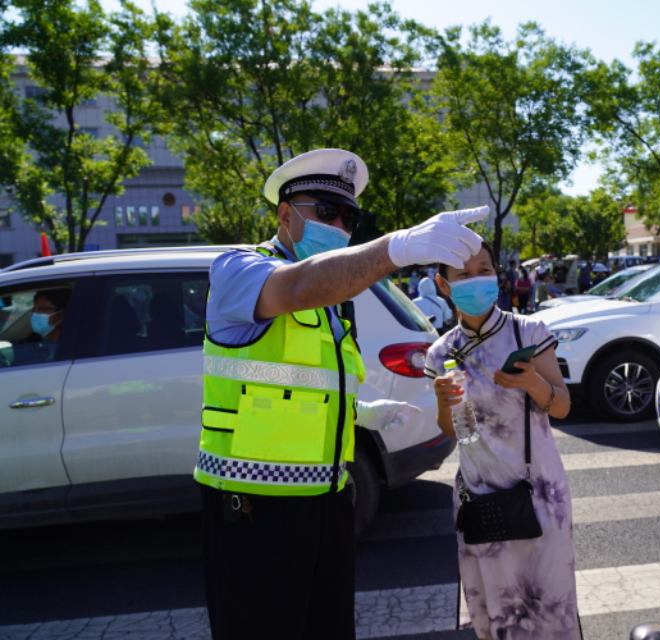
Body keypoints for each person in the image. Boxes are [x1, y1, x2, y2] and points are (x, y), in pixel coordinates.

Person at [196, 147, 490, 640]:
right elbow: (299, 288)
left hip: (329, 499)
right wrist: (395, 247)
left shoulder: (337, 306)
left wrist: (366, 410)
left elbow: (313, 387)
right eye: (326, 212)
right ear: (284, 215)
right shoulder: (237, 268)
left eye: (349, 217)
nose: (339, 226)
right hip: (253, 506)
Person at [426, 243, 581, 640]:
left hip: (538, 496)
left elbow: (561, 406)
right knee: (499, 612)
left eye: (484, 269)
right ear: (444, 285)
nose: (477, 279)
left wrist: (531, 381)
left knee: (550, 607)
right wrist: (445, 402)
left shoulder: (527, 331)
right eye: (464, 274)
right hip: (480, 498)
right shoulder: (441, 352)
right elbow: (453, 432)